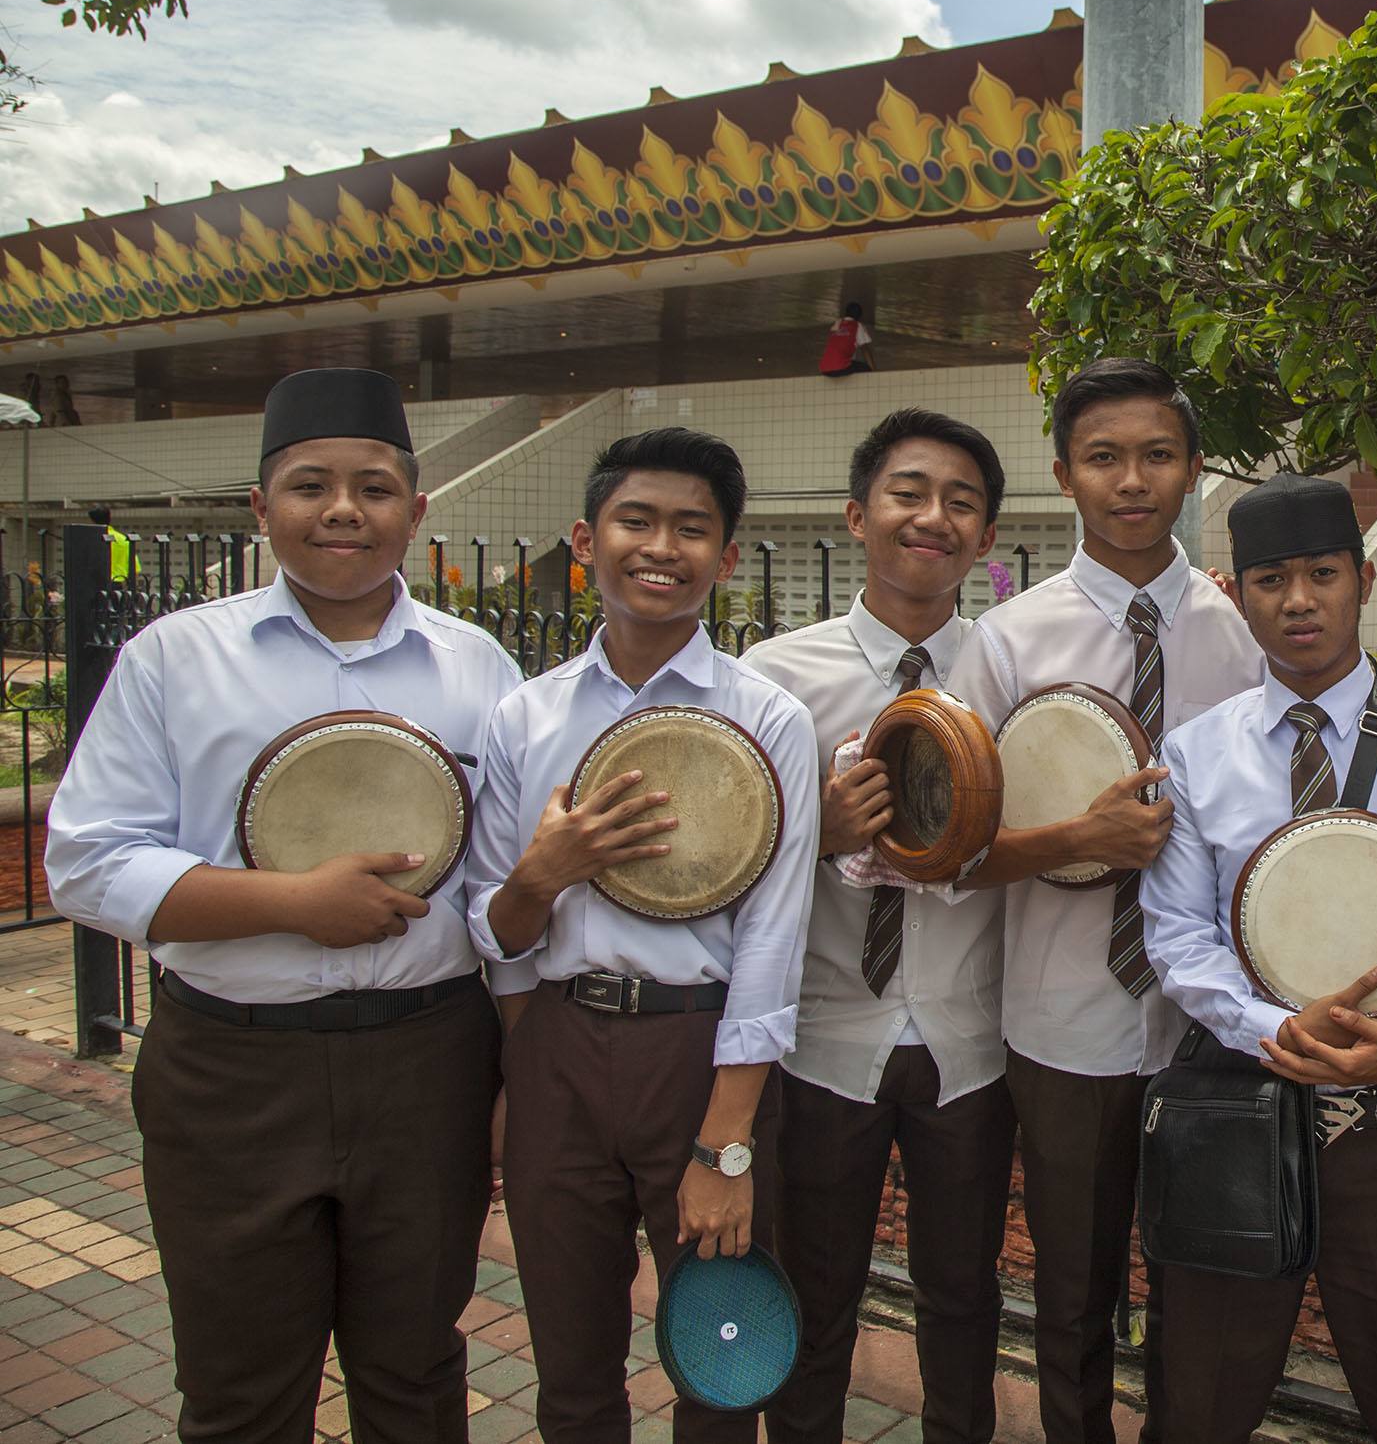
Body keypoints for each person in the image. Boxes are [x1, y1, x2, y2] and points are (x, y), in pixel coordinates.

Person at [45, 367, 525, 1444]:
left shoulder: (477, 668)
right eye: (310, 485)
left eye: (374, 486)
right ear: (262, 508)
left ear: (416, 507)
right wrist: (288, 901)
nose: (343, 508)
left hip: (429, 1061)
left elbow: (505, 878)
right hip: (231, 1071)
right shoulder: (176, 659)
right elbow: (83, 858)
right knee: (242, 1388)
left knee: (415, 1371)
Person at [1140, 474, 1377, 1443]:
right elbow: (1176, 933)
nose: (1297, 599)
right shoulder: (1196, 753)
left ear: (1362, 576)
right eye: (1269, 578)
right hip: (1235, 1110)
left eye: (1320, 573)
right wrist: (1273, 1026)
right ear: (1237, 590)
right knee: (1199, 1400)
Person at [469, 427, 817, 1444]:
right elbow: (493, 924)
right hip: (558, 1047)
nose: (661, 545)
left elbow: (773, 931)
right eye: (637, 518)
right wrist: (545, 875)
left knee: (721, 1360)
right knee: (571, 1367)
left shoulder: (768, 718)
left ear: (728, 555)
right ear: (586, 536)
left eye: (692, 527)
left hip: (701, 1056)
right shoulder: (525, 719)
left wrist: (727, 1142)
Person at [950, 357, 1263, 1443]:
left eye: (1157, 454)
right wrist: (1074, 839)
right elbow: (947, 850)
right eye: (1104, 457)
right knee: (1073, 1291)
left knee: (1200, 1285)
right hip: (1064, 1017)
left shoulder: (1245, 636)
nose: (1132, 479)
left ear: (1192, 470)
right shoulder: (1008, 641)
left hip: (1214, 1026)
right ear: (1065, 474)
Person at [742, 410, 1017, 1444]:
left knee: (962, 1294)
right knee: (812, 1294)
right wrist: (816, 829)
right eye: (908, 492)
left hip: (968, 1037)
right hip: (823, 1033)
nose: (932, 516)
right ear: (859, 514)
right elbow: (736, 861)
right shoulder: (774, 677)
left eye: (961, 501)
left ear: (985, 537)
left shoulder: (1009, 670)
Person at [819, 301, 874, 377]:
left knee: (850, 362)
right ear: (859, 316)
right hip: (839, 368)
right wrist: (873, 371)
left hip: (824, 369)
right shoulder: (857, 325)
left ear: (846, 313)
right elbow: (865, 350)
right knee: (865, 368)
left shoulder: (837, 323)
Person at [88, 503, 131, 582]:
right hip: (119, 585)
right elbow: (135, 568)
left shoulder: (90, 540)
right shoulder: (123, 539)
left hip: (96, 584)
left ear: (92, 520)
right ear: (109, 518)